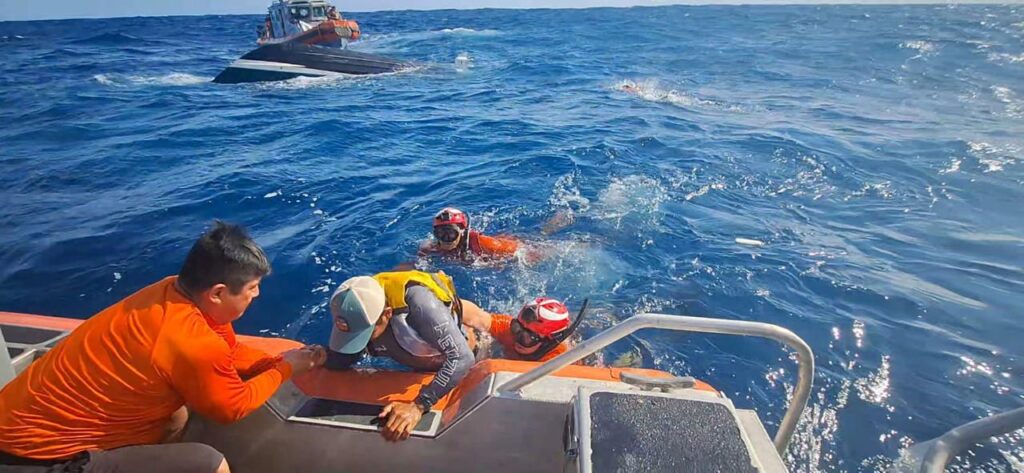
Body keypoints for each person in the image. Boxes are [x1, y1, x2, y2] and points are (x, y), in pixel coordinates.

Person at [0, 221, 326, 473]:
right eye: (253, 288)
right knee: (208, 464)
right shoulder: (191, 341)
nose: (257, 295)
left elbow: (228, 352)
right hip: (37, 458)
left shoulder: (174, 292)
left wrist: (272, 360)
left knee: (174, 415)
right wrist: (286, 368)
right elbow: (231, 407)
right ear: (217, 292)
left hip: (24, 426)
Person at [324, 271, 478, 442]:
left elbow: (463, 358)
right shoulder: (355, 303)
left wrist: (418, 406)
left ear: (386, 314)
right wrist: (322, 357)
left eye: (367, 332)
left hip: (463, 354)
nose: (364, 339)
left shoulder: (421, 306)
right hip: (415, 358)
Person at [462, 297, 582, 362]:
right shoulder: (511, 332)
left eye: (529, 337)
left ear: (547, 343)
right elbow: (477, 316)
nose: (518, 339)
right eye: (517, 327)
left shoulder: (559, 361)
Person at [419, 208, 521, 262]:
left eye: (451, 233)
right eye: (440, 234)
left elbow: (522, 250)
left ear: (462, 231)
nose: (445, 239)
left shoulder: (483, 242)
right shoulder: (431, 248)